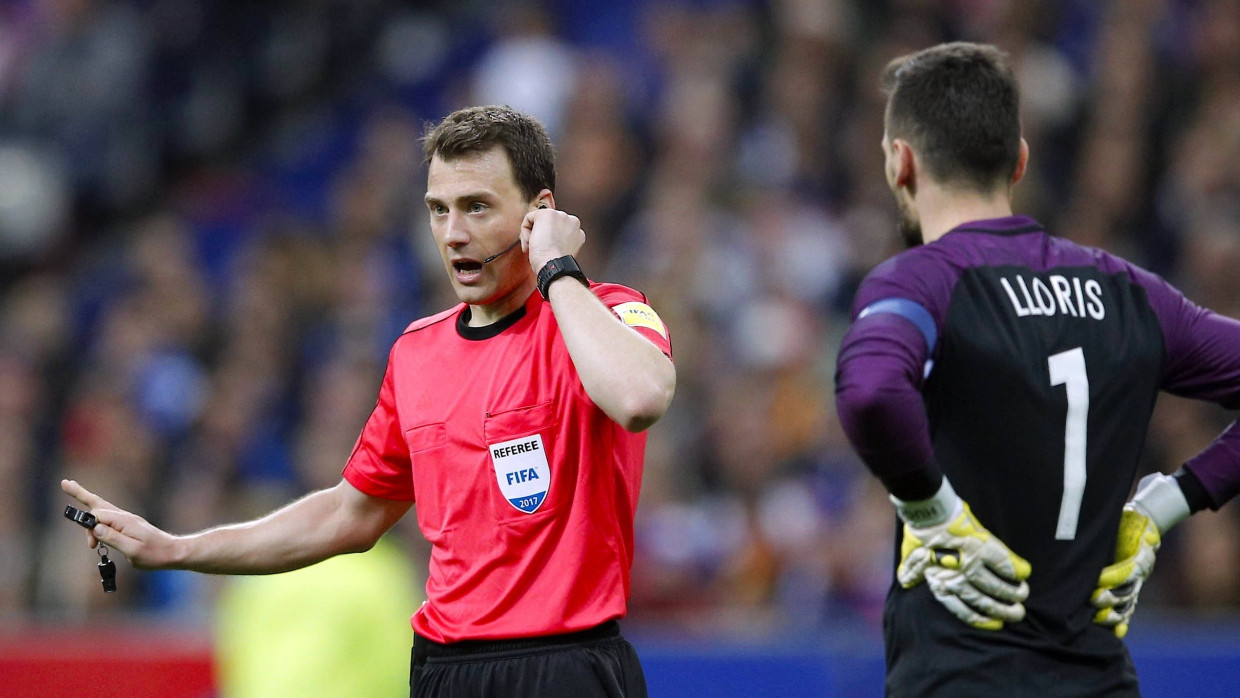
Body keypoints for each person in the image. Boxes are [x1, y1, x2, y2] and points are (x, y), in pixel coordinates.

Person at [62, 104, 676, 698]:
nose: (453, 233)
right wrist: (178, 548)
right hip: (445, 671)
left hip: (566, 666)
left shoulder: (606, 313)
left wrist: (557, 266)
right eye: (439, 210)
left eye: (477, 207)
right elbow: (347, 515)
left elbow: (641, 397)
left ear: (538, 213)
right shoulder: (416, 353)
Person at [833, 42, 1240, 697]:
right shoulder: (1128, 292)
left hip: (958, 677)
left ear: (899, 161)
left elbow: (872, 391)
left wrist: (933, 511)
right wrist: (1167, 504)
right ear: (1018, 159)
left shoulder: (921, 283)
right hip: (1099, 679)